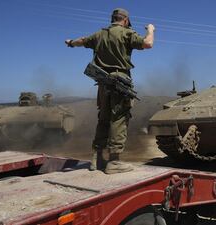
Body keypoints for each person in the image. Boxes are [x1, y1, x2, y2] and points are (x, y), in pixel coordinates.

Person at [65, 8, 155, 174]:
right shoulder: (126, 33)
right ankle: (114, 162)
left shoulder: (99, 34)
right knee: (119, 119)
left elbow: (82, 41)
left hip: (103, 83)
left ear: (112, 19)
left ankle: (97, 158)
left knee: (104, 118)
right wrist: (150, 30)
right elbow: (148, 43)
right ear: (126, 21)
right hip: (120, 81)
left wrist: (70, 42)